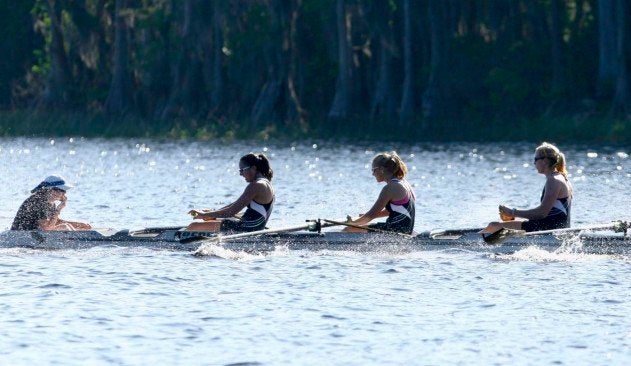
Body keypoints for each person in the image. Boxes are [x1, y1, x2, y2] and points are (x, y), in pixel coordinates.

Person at [485, 142, 572, 233]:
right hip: (555, 228)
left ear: (545, 160)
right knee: (504, 224)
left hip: (548, 229)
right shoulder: (563, 178)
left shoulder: (554, 180)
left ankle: (475, 244)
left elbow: (541, 213)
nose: (534, 163)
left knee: (493, 226)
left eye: (536, 159)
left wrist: (512, 212)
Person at [188, 153, 275, 232]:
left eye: (242, 170)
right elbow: (235, 205)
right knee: (212, 220)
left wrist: (203, 215)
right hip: (252, 227)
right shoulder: (266, 183)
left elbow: (231, 211)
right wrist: (211, 213)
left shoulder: (256, 185)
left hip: (246, 228)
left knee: (193, 226)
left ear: (253, 168)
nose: (241, 174)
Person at [344, 151, 416, 234]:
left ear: (381, 169)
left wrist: (352, 223)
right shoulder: (404, 183)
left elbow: (370, 216)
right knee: (362, 225)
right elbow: (393, 210)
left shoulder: (391, 187)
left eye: (373, 170)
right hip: (405, 230)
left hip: (394, 231)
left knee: (348, 230)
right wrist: (362, 218)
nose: (372, 174)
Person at [11, 175, 92, 231]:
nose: (64, 194)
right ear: (50, 190)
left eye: (64, 191)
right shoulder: (38, 202)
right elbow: (47, 228)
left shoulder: (50, 202)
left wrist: (79, 225)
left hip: (31, 234)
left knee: (67, 226)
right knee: (65, 227)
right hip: (19, 235)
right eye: (62, 190)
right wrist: (59, 209)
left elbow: (55, 221)